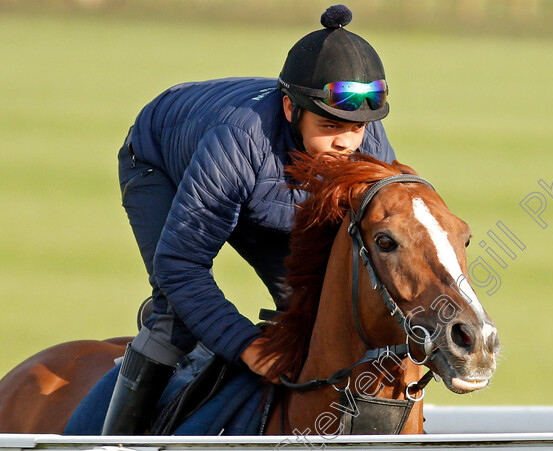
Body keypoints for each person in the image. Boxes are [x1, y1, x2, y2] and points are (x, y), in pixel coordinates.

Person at [103, 5, 396, 435]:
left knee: (315, 312)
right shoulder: (237, 141)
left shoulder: (367, 144)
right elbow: (180, 266)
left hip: (261, 189)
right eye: (330, 124)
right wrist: (246, 346)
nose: (347, 143)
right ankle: (113, 443)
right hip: (161, 160)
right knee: (177, 316)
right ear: (290, 108)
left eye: (357, 127)